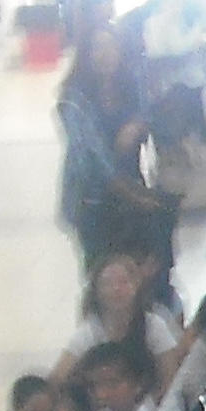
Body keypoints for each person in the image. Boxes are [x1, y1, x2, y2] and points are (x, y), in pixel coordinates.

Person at [56, 25, 163, 278]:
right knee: (100, 273)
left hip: (131, 190)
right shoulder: (74, 99)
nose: (106, 54)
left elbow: (151, 115)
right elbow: (93, 158)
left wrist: (138, 123)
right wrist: (136, 197)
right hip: (92, 200)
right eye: (98, 48)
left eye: (112, 47)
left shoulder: (131, 88)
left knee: (139, 272)